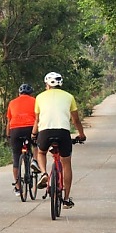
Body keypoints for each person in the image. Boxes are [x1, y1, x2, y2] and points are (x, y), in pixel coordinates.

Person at [32, 72, 86, 209]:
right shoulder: (69, 96)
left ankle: (44, 173)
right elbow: (76, 120)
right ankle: (66, 199)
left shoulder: (39, 97)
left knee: (41, 153)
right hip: (63, 132)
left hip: (45, 132)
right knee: (66, 163)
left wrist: (34, 134)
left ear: (47, 84)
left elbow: (37, 120)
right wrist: (81, 134)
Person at [6, 83, 39, 196]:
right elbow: (38, 118)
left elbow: (9, 121)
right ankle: (34, 160)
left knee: (16, 157)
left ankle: (17, 187)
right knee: (35, 144)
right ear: (31, 94)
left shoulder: (12, 102)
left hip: (15, 129)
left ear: (19, 93)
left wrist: (8, 135)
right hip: (30, 128)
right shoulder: (35, 101)